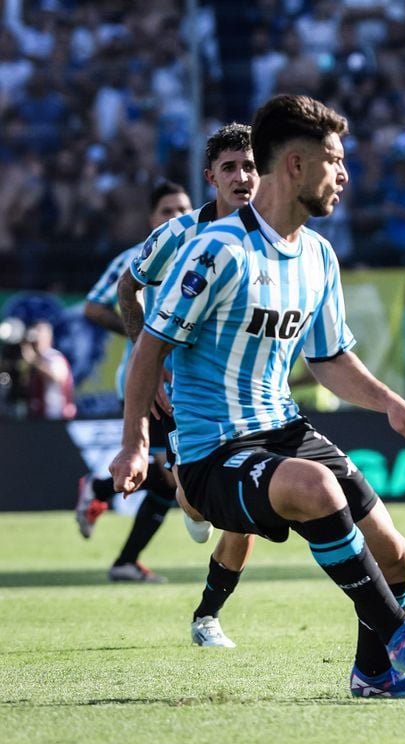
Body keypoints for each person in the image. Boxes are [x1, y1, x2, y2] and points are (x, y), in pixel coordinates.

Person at [110, 95, 405, 700]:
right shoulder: (215, 250)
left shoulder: (320, 256)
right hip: (213, 451)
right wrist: (136, 441)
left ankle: (373, 676)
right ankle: (400, 635)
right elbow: (149, 346)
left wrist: (392, 405)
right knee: (317, 490)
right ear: (294, 166)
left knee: (397, 556)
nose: (344, 174)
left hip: (284, 431)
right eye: (333, 159)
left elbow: (329, 360)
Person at [110, 123, 258, 642]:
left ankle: (207, 616)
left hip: (255, 401)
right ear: (211, 177)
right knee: (200, 509)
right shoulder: (178, 235)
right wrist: (146, 362)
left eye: (251, 167)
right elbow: (128, 289)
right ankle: (186, 496)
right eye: (230, 168)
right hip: (190, 396)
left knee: (243, 520)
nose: (243, 178)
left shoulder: (278, 238)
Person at [76, 181, 193, 583]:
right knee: (175, 476)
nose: (176, 218)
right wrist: (142, 338)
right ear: (151, 219)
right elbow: (94, 307)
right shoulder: (136, 257)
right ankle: (99, 491)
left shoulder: (204, 254)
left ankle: (123, 556)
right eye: (166, 211)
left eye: (183, 209)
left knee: (165, 480)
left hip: (190, 382)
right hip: (150, 380)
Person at [19, 319, 75, 420]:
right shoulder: (34, 359)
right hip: (37, 416)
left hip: (56, 416)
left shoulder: (54, 357)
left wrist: (33, 360)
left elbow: (58, 376)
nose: (36, 338)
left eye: (39, 333)